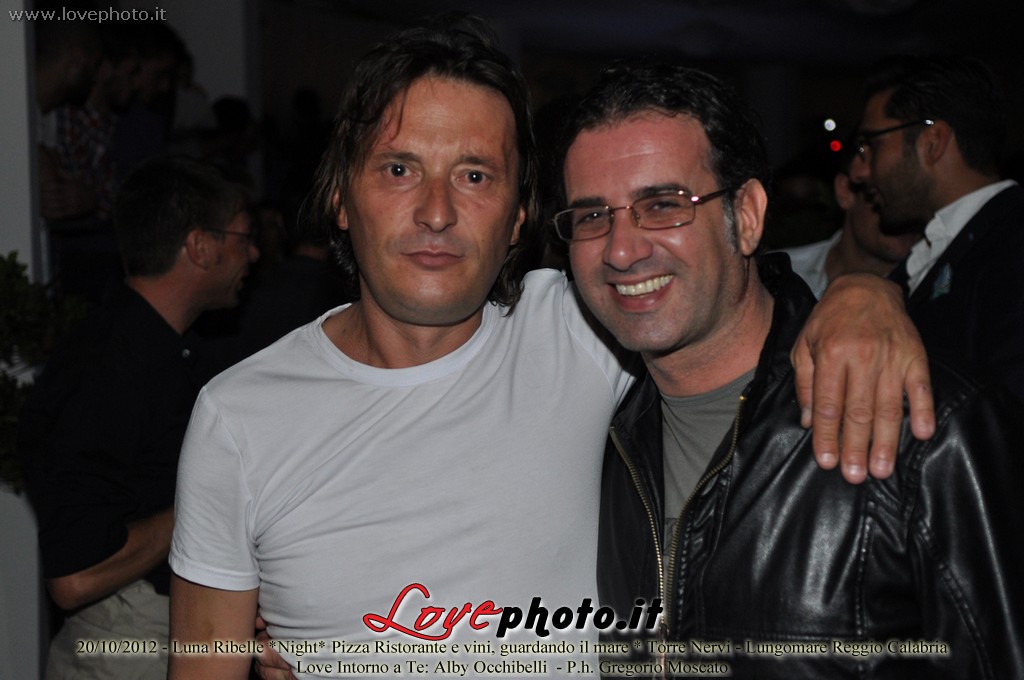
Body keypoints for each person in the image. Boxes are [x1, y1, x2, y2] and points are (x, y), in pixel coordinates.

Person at [168, 15, 933, 680]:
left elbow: (722, 289)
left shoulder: (585, 325)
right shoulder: (239, 418)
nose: (436, 211)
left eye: (474, 175)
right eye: (399, 169)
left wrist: (865, 297)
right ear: (340, 196)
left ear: (518, 217)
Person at [552, 59, 1024, 677]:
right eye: (592, 216)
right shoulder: (601, 436)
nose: (621, 249)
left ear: (747, 215)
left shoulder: (924, 428)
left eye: (663, 204)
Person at [18, 156, 258, 680]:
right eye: (244, 237)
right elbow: (76, 577)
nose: (254, 254)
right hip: (124, 649)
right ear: (200, 246)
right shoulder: (106, 368)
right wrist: (211, 502)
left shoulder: (162, 351)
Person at [849, 54, 1024, 403]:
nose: (859, 170)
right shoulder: (941, 247)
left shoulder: (1012, 247)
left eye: (873, 144)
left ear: (933, 142)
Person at [783, 141, 920, 298]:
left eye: (918, 199)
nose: (905, 213)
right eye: (886, 196)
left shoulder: (929, 291)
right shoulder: (780, 274)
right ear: (845, 192)